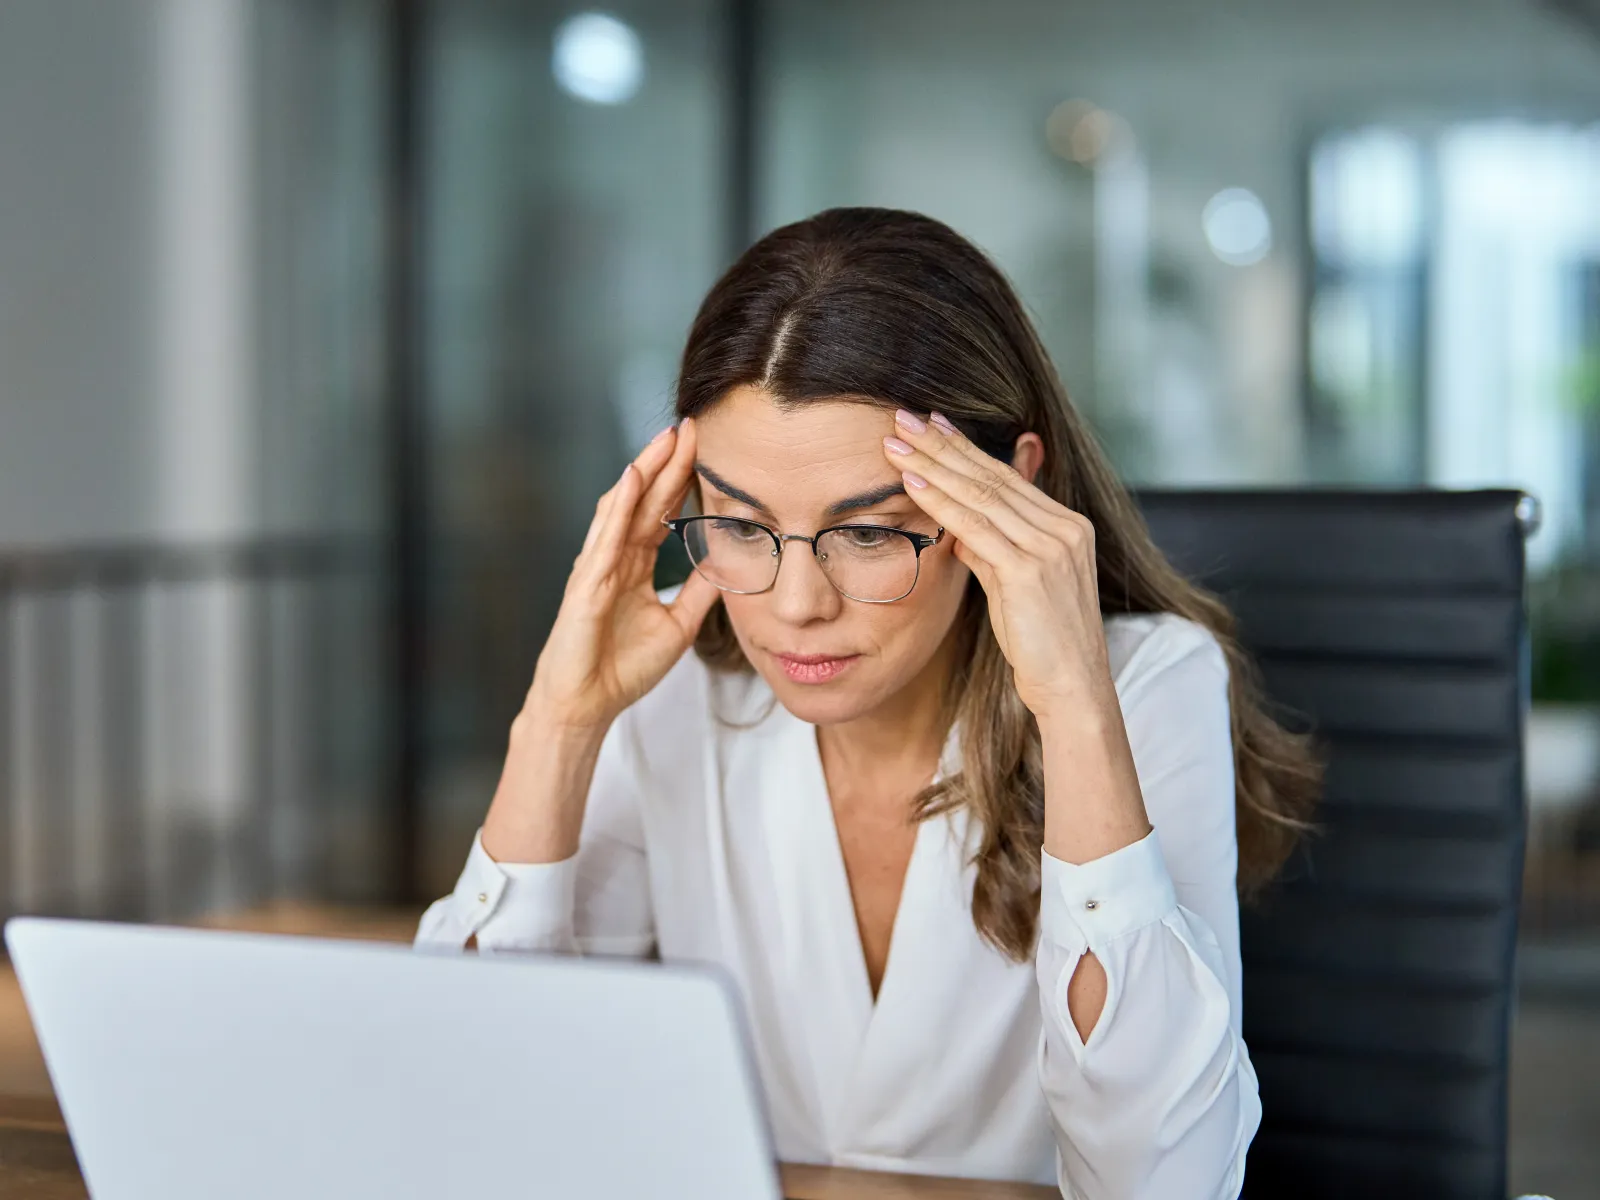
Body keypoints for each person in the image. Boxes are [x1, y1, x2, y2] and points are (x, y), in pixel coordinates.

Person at [415, 207, 1318, 1198]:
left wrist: (1070, 705)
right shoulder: (671, 672)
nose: (795, 606)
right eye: (740, 525)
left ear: (1006, 494)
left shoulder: (1144, 683)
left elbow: (1168, 1180)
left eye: (870, 535)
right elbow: (479, 1117)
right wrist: (558, 718)